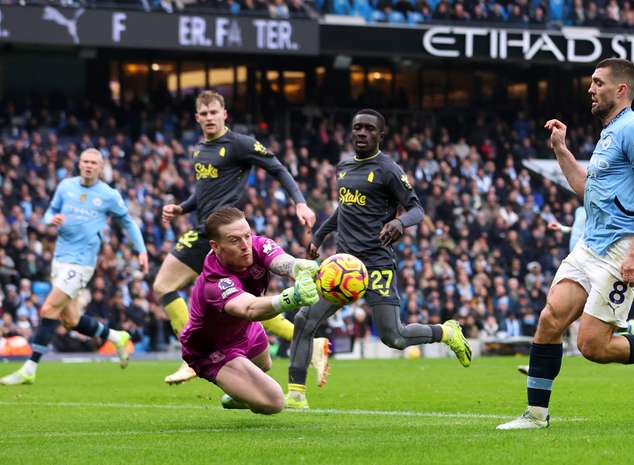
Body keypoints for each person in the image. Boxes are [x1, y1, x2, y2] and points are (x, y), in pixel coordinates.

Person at [497, 58, 634, 430]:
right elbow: (586, 191)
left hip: (620, 248)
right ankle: (536, 415)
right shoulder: (609, 134)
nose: (590, 89)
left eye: (597, 83)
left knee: (593, 347)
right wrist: (561, 151)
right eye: (591, 83)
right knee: (550, 319)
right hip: (589, 246)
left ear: (621, 89)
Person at [284, 109, 472, 409]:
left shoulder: (388, 169)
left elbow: (417, 209)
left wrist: (400, 223)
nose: (361, 133)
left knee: (393, 337)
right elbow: (342, 210)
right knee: (306, 319)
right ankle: (295, 394)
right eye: (357, 127)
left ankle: (446, 332)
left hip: (375, 264)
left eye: (369, 129)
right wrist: (319, 237)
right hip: (344, 266)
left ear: (380, 135)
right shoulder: (343, 168)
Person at [154, 90, 328, 385]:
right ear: (197, 118)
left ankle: (192, 358)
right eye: (204, 114)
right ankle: (309, 344)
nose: (209, 118)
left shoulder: (239, 144)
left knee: (164, 286)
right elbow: (203, 191)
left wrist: (299, 201)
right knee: (238, 302)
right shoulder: (200, 149)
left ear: (225, 114)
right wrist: (182, 207)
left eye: (214, 112)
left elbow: (277, 167)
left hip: (224, 235)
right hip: (206, 230)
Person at [1, 149, 148, 385]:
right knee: (70, 319)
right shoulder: (65, 186)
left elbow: (128, 222)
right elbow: (50, 212)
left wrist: (141, 250)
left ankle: (30, 368)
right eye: (85, 161)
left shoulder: (108, 195)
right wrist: (52, 219)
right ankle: (116, 336)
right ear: (79, 164)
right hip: (60, 259)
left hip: (81, 263)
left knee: (48, 309)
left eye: (94, 163)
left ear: (101, 167)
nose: (89, 166)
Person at [179, 207, 319, 413]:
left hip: (244, 330)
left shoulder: (256, 245)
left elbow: (281, 262)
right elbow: (249, 308)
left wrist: (297, 267)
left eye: (247, 235)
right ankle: (237, 390)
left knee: (265, 364)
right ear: (215, 246)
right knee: (274, 402)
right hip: (212, 348)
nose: (246, 245)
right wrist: (292, 298)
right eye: (235, 240)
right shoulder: (214, 280)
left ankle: (237, 393)